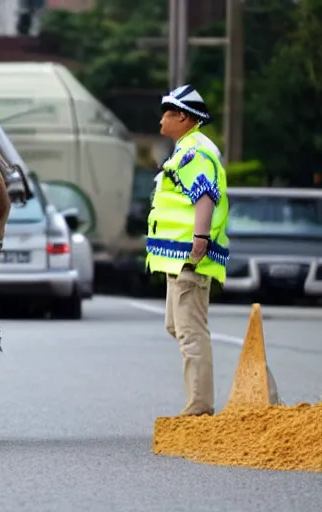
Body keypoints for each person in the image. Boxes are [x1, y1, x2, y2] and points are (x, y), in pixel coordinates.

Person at [146, 85, 230, 416]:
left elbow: (205, 194)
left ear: (182, 117)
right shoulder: (187, 148)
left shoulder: (194, 151)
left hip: (190, 257)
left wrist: (200, 239)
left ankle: (199, 409)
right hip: (178, 257)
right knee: (176, 326)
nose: (161, 121)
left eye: (167, 114)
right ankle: (199, 402)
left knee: (190, 332)